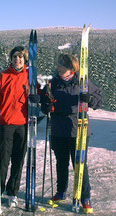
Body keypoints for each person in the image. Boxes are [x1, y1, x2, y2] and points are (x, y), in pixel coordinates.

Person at [40, 53, 102, 213]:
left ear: (71, 67)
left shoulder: (83, 82)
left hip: (78, 129)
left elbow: (98, 98)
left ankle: (85, 197)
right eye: (59, 64)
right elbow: (44, 101)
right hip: (59, 129)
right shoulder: (52, 83)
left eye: (63, 65)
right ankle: (61, 192)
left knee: (80, 165)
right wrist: (45, 107)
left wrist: (89, 99)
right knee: (61, 163)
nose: (59, 67)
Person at [0, 46, 40, 208]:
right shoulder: (2, 76)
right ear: (11, 58)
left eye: (21, 57)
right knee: (3, 160)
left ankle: (12, 192)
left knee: (18, 161)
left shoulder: (31, 78)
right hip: (6, 124)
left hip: (24, 125)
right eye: (15, 57)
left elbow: (39, 98)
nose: (17, 60)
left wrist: (37, 98)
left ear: (25, 60)